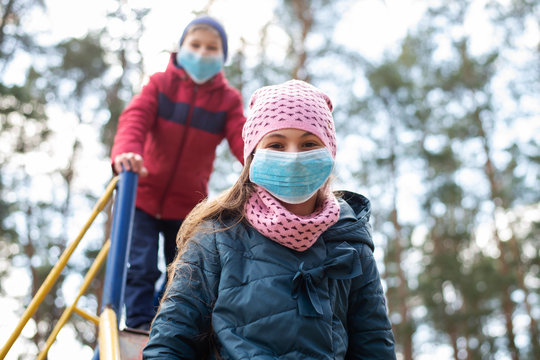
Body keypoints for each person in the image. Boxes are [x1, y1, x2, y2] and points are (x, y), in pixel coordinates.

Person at [143, 79, 396, 359]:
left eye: (309, 143)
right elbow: (170, 342)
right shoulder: (215, 236)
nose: (294, 158)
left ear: (329, 152)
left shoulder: (351, 242)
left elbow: (374, 346)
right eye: (276, 144)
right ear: (253, 155)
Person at [110, 15, 246, 330]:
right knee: (141, 265)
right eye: (195, 45)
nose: (201, 53)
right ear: (180, 48)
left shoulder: (227, 100)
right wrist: (126, 153)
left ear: (222, 57)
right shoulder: (161, 85)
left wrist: (260, 163)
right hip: (141, 194)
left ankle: (164, 324)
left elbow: (241, 136)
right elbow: (135, 118)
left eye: (211, 48)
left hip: (188, 204)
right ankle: (140, 323)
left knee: (182, 269)